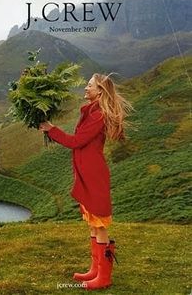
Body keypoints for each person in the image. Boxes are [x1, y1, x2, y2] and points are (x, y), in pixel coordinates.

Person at [39, 73, 133, 290]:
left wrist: (51, 129)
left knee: (100, 225)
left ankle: (104, 277)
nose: (85, 88)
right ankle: (95, 270)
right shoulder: (92, 111)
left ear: (99, 91)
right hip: (86, 174)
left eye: (89, 85)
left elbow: (77, 142)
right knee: (92, 223)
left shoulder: (98, 115)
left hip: (94, 176)